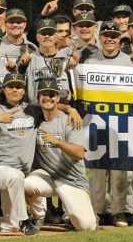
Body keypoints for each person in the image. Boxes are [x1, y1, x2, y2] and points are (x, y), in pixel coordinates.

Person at [83, 21, 133, 227]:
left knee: (120, 173)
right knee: (97, 172)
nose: (110, 39)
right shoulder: (90, 63)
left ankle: (119, 211)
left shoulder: (128, 63)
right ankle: (97, 211)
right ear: (99, 38)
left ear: (120, 39)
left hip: (121, 124)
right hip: (96, 124)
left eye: (114, 35)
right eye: (106, 35)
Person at [24, 77, 98, 231]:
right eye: (44, 94)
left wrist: (57, 142)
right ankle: (38, 216)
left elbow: (79, 153)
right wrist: (69, 107)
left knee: (86, 227)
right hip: (48, 178)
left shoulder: (70, 120)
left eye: (52, 94)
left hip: (71, 180)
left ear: (58, 98)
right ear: (38, 98)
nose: (48, 98)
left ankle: (87, 216)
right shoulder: (33, 117)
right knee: (25, 184)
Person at [0, 73, 39, 235]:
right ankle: (25, 221)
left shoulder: (31, 109)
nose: (15, 90)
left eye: (19, 87)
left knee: (11, 225)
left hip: (23, 174)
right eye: (11, 86)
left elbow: (53, 106)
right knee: (15, 176)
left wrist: (70, 109)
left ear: (24, 91)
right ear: (4, 90)